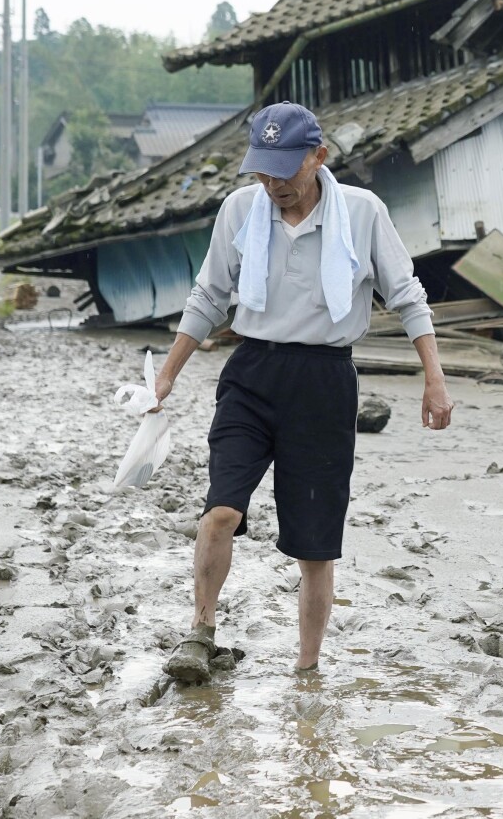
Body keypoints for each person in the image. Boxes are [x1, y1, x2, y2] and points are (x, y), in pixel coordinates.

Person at [153, 101, 452, 684]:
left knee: (316, 544)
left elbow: (407, 295)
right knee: (220, 511)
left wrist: (434, 379)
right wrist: (167, 374)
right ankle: (200, 631)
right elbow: (209, 295)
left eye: (285, 170)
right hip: (252, 376)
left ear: (319, 156)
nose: (273, 185)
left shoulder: (362, 213)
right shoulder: (241, 210)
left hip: (323, 382)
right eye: (263, 171)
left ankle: (307, 668)